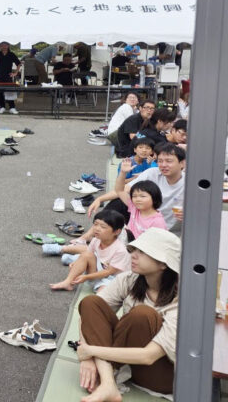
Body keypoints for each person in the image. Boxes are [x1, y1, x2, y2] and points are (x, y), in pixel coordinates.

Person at [75, 228, 180, 399]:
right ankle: (108, 383)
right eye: (134, 250)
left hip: (159, 374)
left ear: (163, 264)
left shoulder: (181, 300)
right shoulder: (129, 279)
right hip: (125, 361)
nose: (133, 255)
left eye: (143, 252)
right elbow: (88, 316)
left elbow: (149, 356)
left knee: (142, 314)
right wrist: (86, 356)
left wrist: (90, 351)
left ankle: (107, 379)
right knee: (90, 302)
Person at [50, 209, 129, 292]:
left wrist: (86, 277)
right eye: (95, 224)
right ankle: (68, 282)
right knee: (86, 254)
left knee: (102, 294)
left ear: (116, 231)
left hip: (113, 278)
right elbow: (86, 256)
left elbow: (108, 272)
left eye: (103, 227)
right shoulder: (96, 240)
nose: (97, 229)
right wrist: (77, 263)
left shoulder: (121, 250)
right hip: (98, 273)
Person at [113, 170, 167, 240]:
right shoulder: (134, 208)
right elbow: (119, 190)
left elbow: (158, 243)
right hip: (128, 243)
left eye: (142, 196)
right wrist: (123, 172)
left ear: (154, 198)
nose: (137, 199)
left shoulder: (157, 221)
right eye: (134, 196)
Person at [0, 42, 21, 114]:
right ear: (0, 46)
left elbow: (18, 64)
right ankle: (2, 107)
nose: (4, 47)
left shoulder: (11, 54)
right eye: (2, 45)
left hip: (8, 76)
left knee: (9, 91)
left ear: (8, 46)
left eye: (5, 45)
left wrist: (15, 73)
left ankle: (12, 107)